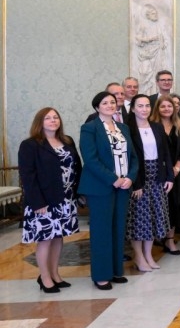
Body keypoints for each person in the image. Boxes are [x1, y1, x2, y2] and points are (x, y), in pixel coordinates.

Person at [78, 91, 139, 290]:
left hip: (123, 187)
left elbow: (134, 157)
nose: (110, 105)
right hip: (101, 187)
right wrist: (113, 179)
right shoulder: (90, 128)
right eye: (105, 103)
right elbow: (91, 159)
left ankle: (115, 271)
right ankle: (101, 275)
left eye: (112, 102)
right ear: (97, 107)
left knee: (118, 228)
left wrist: (130, 177)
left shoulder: (123, 128)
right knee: (102, 231)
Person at [19, 107, 82, 293]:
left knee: (58, 237)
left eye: (56, 117)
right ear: (40, 122)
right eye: (48, 118)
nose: (53, 121)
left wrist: (79, 193)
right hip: (44, 201)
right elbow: (27, 176)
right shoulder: (30, 145)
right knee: (45, 239)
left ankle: (55, 274)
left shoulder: (66, 141)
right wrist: (37, 202)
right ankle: (44, 277)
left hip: (66, 199)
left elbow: (77, 167)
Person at [126, 94, 174, 272]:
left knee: (154, 218)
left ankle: (148, 254)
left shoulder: (156, 126)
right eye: (140, 106)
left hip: (157, 176)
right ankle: (138, 257)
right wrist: (136, 183)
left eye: (147, 106)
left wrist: (170, 176)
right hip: (139, 177)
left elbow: (166, 153)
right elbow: (130, 158)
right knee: (139, 220)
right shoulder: (127, 129)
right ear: (133, 108)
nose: (144, 109)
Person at [151, 95, 180, 251]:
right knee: (158, 206)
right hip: (157, 173)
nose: (167, 109)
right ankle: (157, 236)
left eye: (170, 106)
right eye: (163, 106)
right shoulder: (151, 126)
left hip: (175, 173)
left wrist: (178, 167)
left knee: (173, 206)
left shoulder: (179, 125)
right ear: (157, 109)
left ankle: (170, 239)